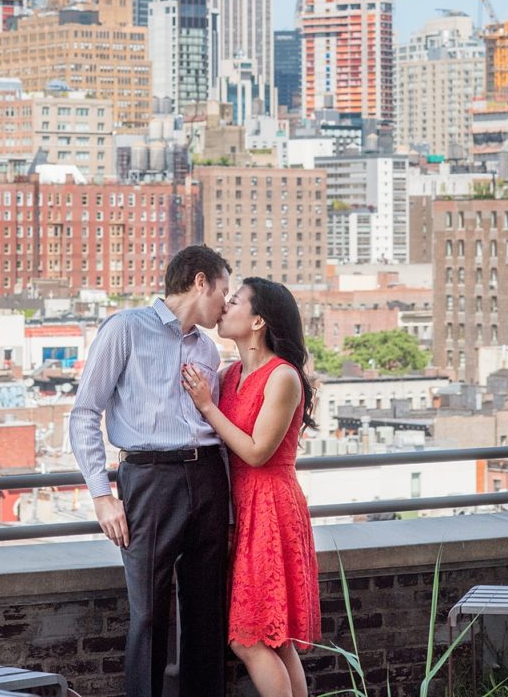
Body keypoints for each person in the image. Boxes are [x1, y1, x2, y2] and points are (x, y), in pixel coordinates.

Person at [69, 244, 232, 697]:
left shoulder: (208, 350)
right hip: (149, 480)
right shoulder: (126, 329)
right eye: (223, 291)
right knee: (148, 612)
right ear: (200, 281)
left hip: (208, 478)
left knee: (205, 611)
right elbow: (84, 413)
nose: (224, 305)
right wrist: (103, 496)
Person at [181, 277, 321, 697]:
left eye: (236, 300)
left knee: (248, 638)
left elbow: (258, 452)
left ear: (258, 319)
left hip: (271, 508)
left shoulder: (283, 377)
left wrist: (206, 405)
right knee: (272, 637)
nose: (225, 306)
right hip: (241, 509)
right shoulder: (230, 373)